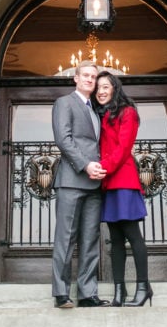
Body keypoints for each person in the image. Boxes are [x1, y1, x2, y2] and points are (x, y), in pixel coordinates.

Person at [51, 61, 109, 308]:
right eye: (85, 75)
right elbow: (63, 140)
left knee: (90, 239)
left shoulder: (96, 110)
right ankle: (61, 293)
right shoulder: (64, 103)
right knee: (66, 238)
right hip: (71, 181)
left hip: (95, 185)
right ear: (75, 78)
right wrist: (86, 165)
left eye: (93, 77)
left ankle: (87, 294)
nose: (89, 79)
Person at [94, 71, 152, 307]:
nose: (100, 91)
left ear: (115, 88)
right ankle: (119, 291)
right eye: (98, 87)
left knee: (132, 235)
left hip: (123, 180)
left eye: (105, 86)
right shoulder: (100, 114)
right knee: (115, 239)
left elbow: (122, 148)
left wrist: (102, 168)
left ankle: (143, 287)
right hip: (108, 183)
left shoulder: (127, 113)